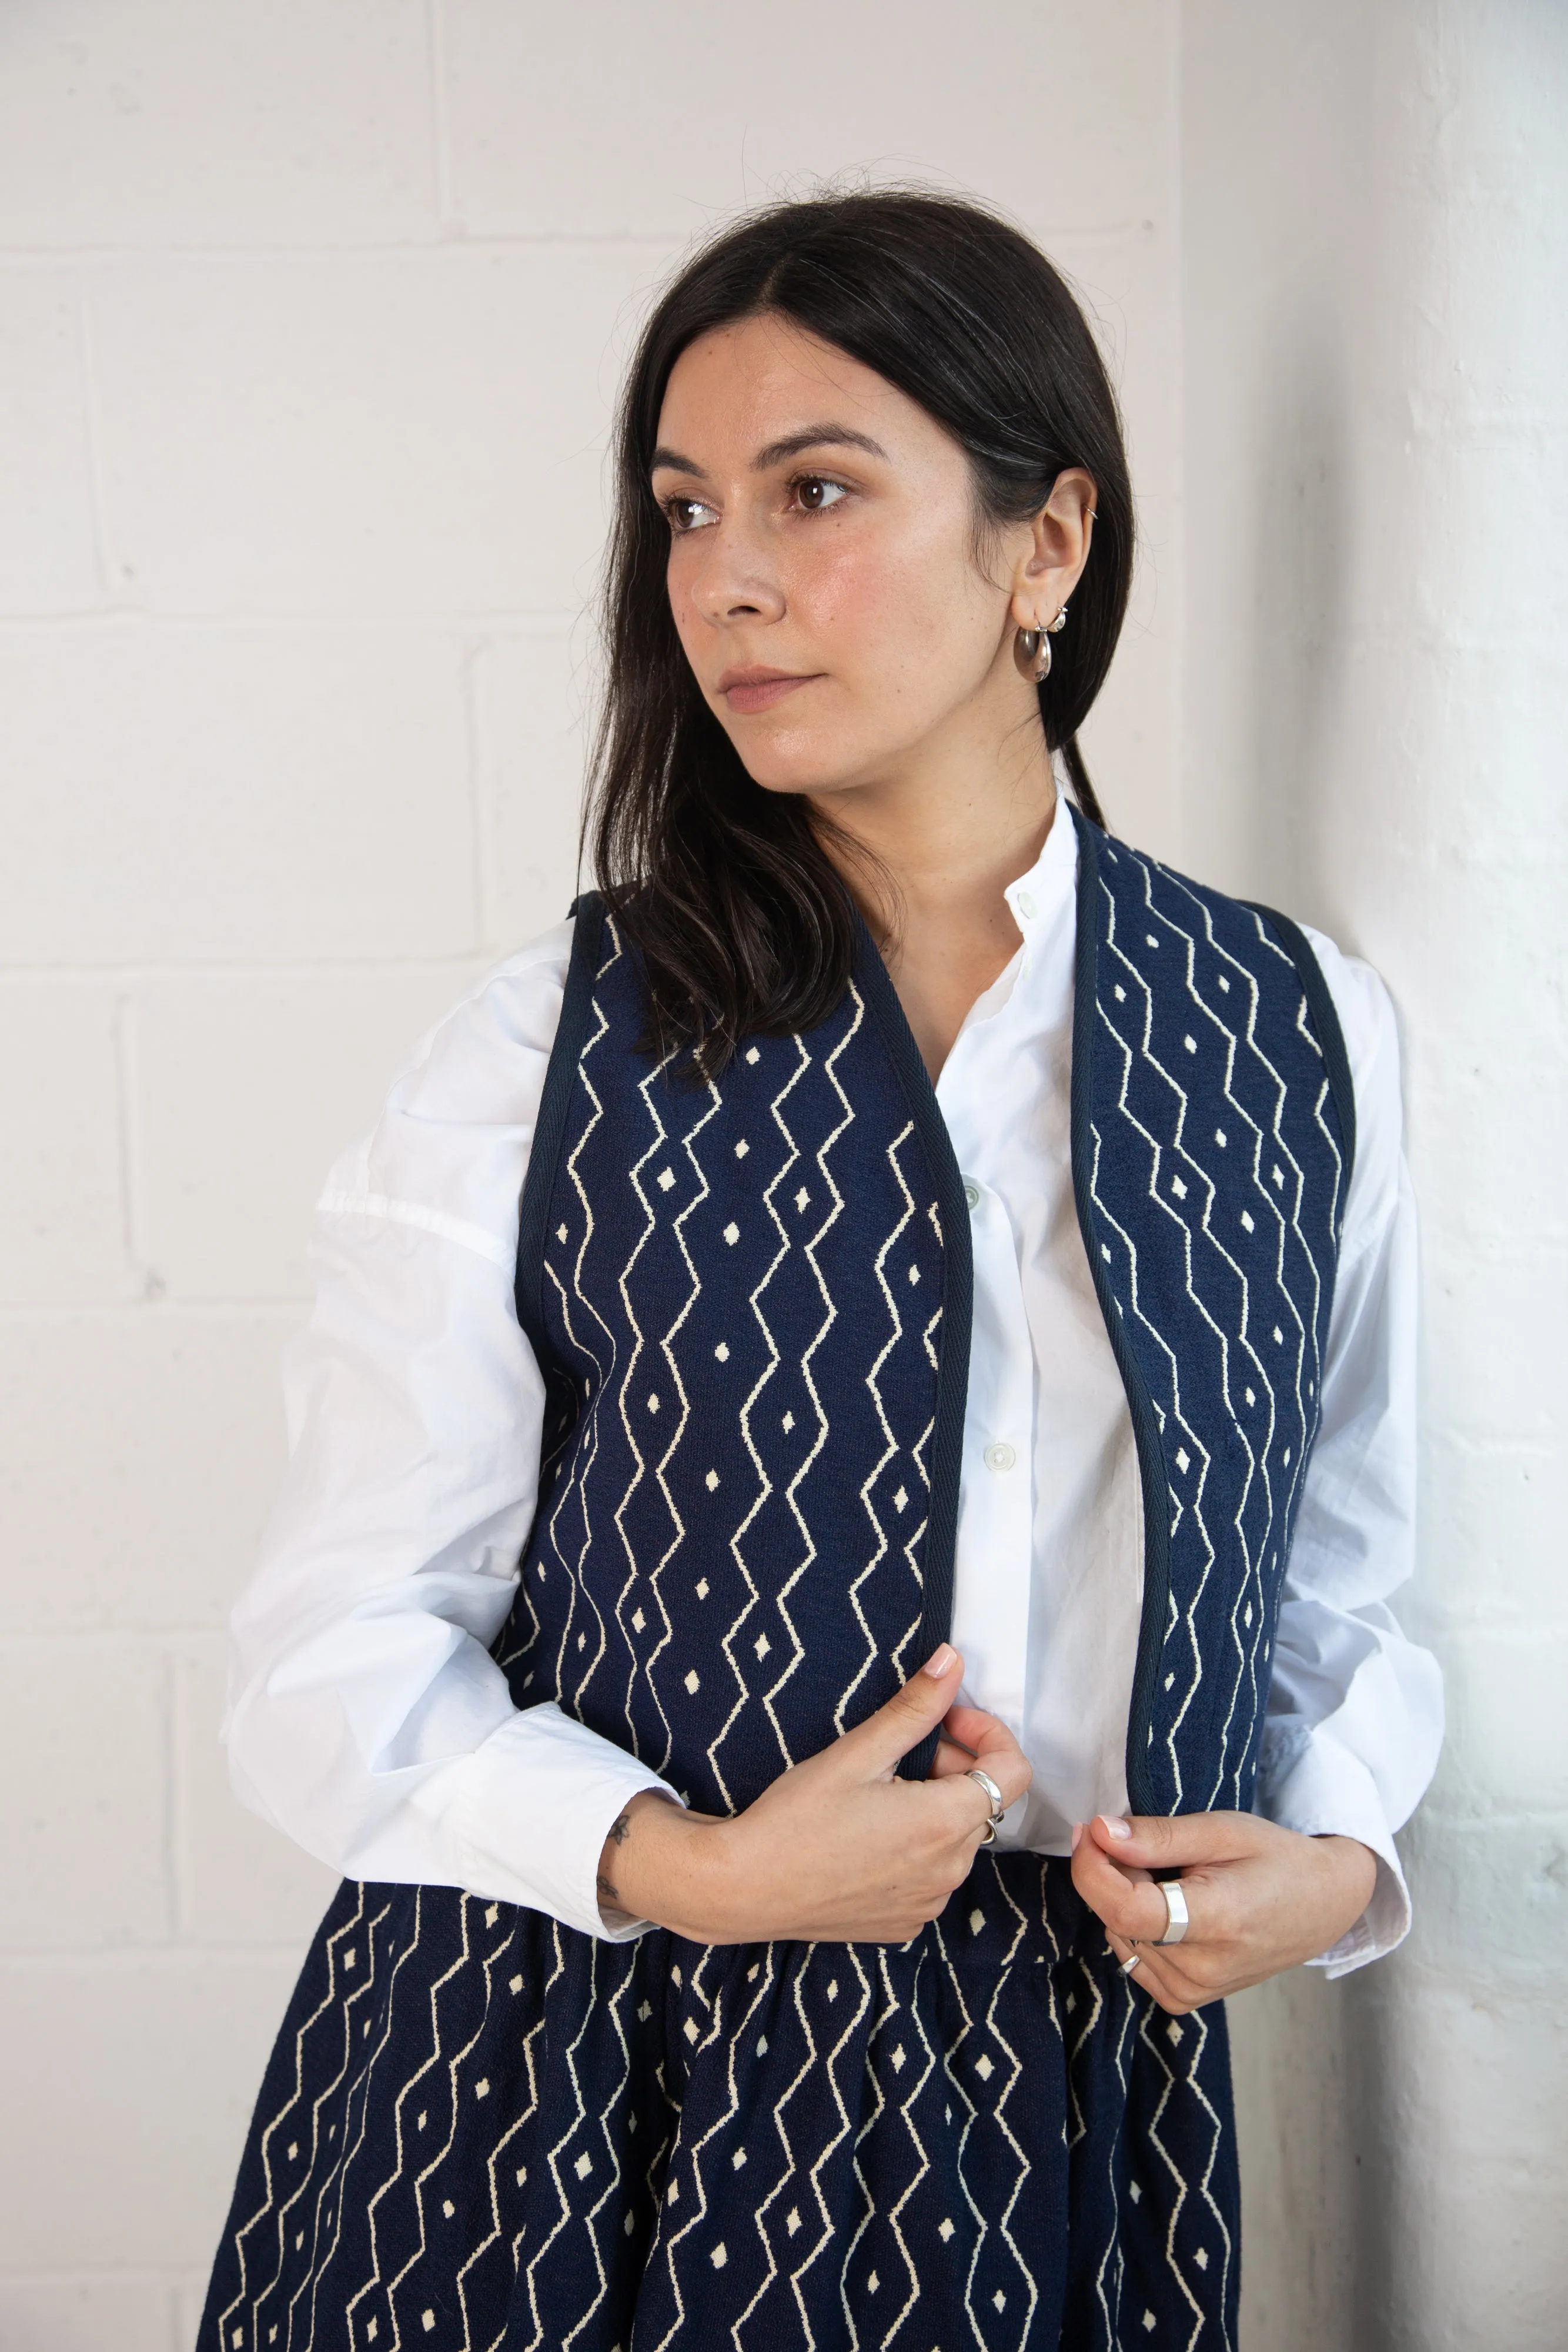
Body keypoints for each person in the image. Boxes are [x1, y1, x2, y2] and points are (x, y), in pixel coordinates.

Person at [197, 191, 1442, 2352]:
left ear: (1045, 544)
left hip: (1070, 2100)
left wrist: (1336, 1864)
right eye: (685, 510)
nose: (729, 579)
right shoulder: (545, 1046)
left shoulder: (1297, 1032)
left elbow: (1333, 1577)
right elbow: (330, 1648)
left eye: (818, 490)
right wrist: (691, 1865)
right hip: (565, 2082)